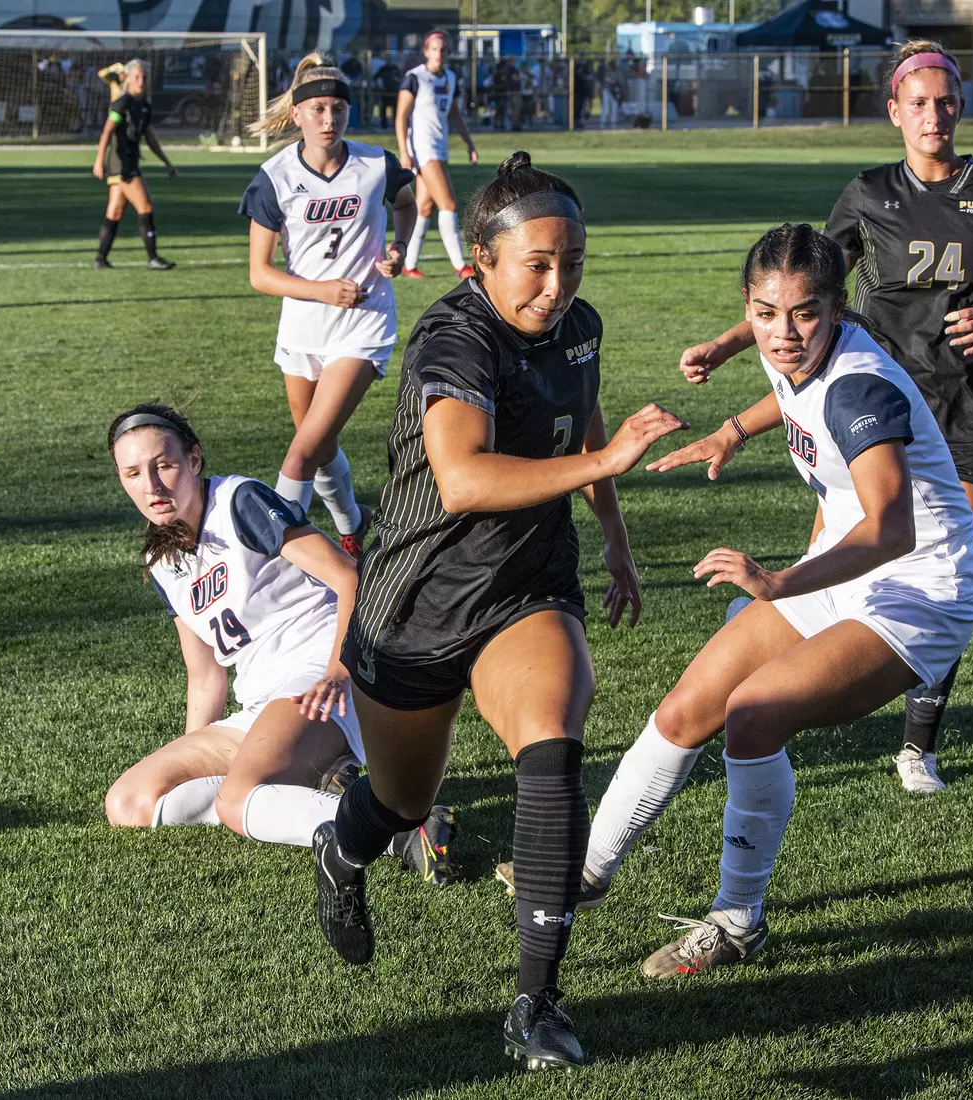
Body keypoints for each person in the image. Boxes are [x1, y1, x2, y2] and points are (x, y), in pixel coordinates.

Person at [510, 225, 973, 977]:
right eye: (766, 313)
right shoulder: (792, 341)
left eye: (803, 315)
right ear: (748, 305)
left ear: (835, 311)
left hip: (917, 592)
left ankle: (737, 921)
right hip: (837, 570)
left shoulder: (861, 388)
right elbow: (789, 380)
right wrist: (731, 428)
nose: (783, 333)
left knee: (753, 714)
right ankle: (586, 871)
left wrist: (777, 584)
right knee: (683, 710)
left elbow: (892, 531)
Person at [309, 153, 687, 1071]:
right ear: (479, 260)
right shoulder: (454, 340)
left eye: (575, 262)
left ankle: (537, 1003)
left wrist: (616, 540)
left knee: (552, 748)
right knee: (399, 800)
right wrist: (605, 468)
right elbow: (466, 477)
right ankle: (341, 850)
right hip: (416, 594)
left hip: (527, 584)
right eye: (538, 265)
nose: (559, 286)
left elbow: (583, 424)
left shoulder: (579, 327)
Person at [668, 40, 973, 794]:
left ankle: (918, 743)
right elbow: (804, 287)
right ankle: (790, 676)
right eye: (916, 102)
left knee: (938, 571)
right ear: (894, 111)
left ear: (962, 107)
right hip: (866, 414)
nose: (933, 115)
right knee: (847, 561)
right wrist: (730, 345)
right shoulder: (867, 193)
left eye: (945, 101)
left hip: (964, 415)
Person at [100, 404, 454, 880]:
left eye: (163, 465)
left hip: (320, 677)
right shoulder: (160, 560)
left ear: (194, 460)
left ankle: (402, 830)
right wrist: (193, 752)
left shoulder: (238, 500)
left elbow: (350, 577)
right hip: (261, 704)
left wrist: (338, 670)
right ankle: (321, 787)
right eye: (133, 473)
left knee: (237, 799)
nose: (152, 485)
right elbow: (204, 676)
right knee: (131, 803)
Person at [241, 54, 419, 558]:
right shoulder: (274, 177)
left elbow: (406, 205)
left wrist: (399, 250)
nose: (328, 119)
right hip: (302, 325)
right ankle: (353, 524)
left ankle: (272, 553)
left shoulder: (375, 164)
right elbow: (260, 273)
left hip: (363, 323)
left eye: (338, 108)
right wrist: (322, 290)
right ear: (297, 114)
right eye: (317, 108)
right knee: (317, 447)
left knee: (301, 451)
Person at [395, 31, 479, 279]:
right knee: (449, 203)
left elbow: (454, 115)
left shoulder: (451, 78)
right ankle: (460, 266)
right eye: (434, 49)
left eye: (443, 50)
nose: (439, 54)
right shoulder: (415, 78)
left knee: (424, 206)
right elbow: (400, 117)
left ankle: (409, 265)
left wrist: (469, 143)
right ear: (426, 50)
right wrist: (403, 152)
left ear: (449, 53)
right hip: (422, 148)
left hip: (440, 148)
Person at [92, 60, 175, 270]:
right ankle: (153, 258)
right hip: (121, 163)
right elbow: (106, 132)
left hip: (130, 161)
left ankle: (101, 259)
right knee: (145, 206)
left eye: (144, 77)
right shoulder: (122, 104)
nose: (141, 81)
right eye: (136, 77)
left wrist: (167, 162)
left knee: (115, 211)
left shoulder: (144, 107)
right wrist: (98, 161)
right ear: (126, 78)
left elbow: (150, 138)